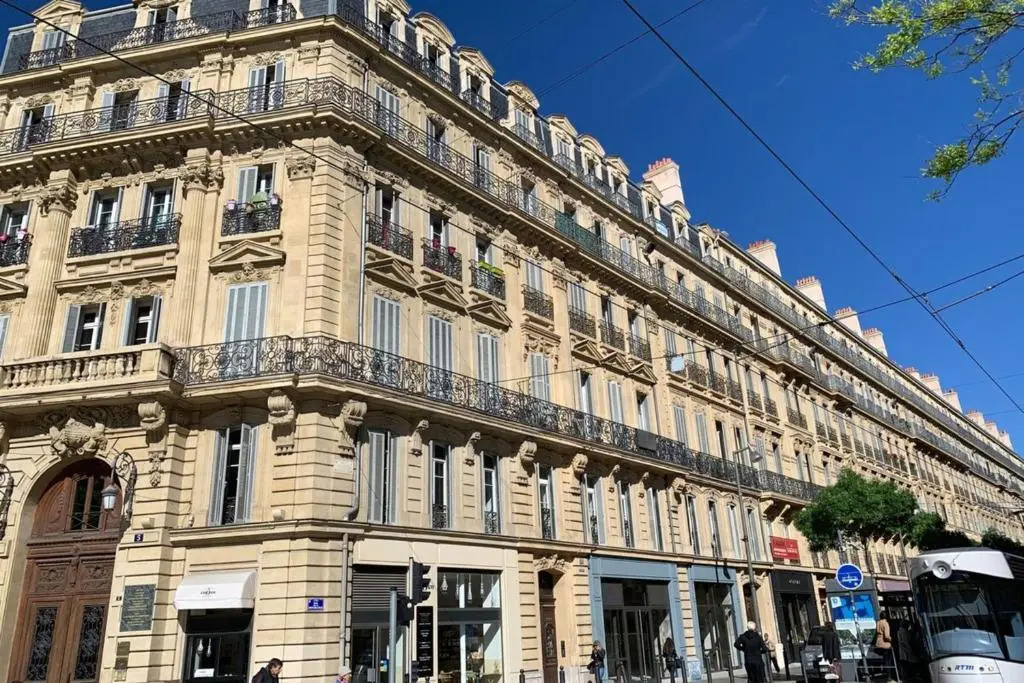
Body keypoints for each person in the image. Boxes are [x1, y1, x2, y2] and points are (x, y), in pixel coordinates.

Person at [875, 611, 896, 683]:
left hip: (879, 644)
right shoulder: (885, 623)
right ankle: (889, 677)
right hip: (885, 645)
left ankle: (886, 676)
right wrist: (892, 640)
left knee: (884, 661)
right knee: (888, 661)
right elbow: (887, 636)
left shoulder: (878, 623)